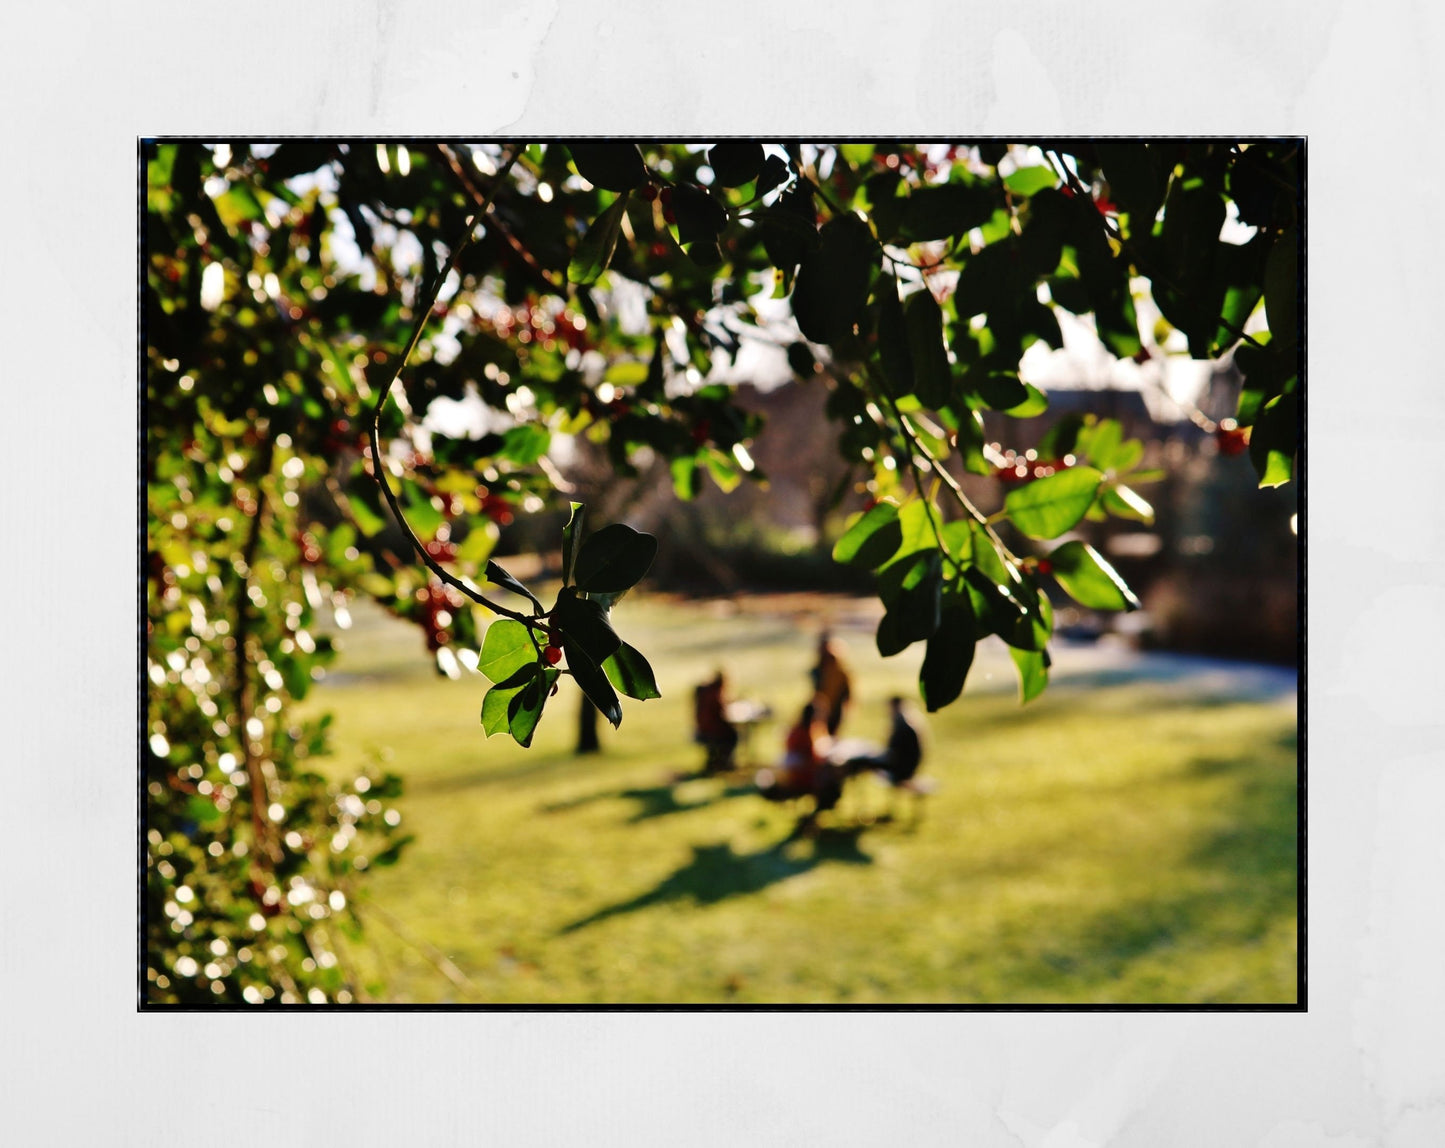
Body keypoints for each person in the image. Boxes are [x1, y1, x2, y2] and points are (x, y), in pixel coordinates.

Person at [693, 671, 739, 773]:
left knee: (729, 734)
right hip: (712, 730)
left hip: (702, 728)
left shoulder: (705, 691)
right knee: (733, 735)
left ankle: (716, 761)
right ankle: (725, 762)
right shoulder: (715, 693)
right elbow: (721, 713)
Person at [809, 633, 853, 737]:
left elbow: (847, 693)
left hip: (835, 707)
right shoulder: (819, 671)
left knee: (831, 734)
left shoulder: (840, 673)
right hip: (823, 708)